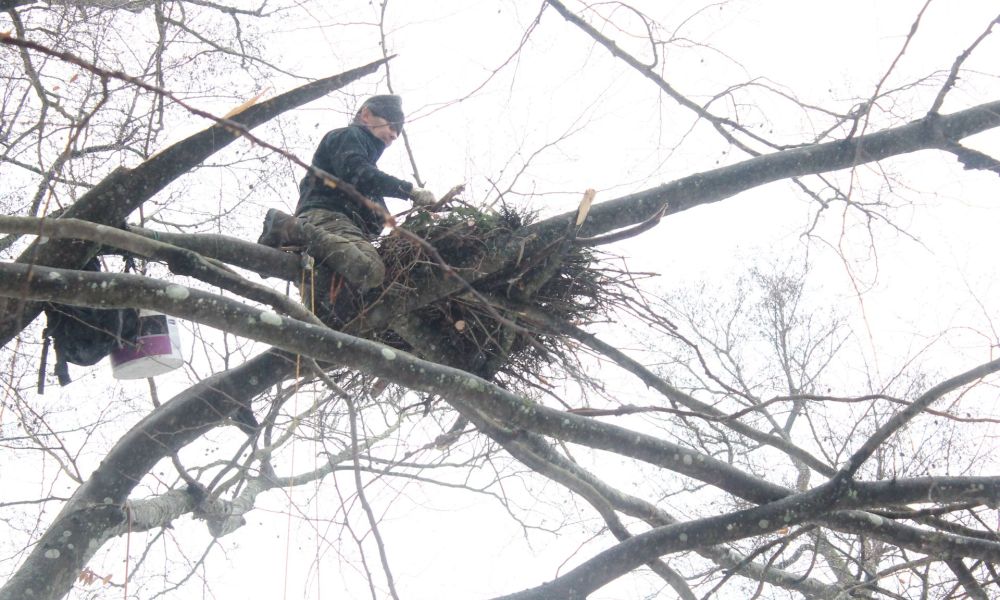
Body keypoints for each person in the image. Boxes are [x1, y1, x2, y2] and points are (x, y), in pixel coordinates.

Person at [258, 95, 435, 309]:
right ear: (366, 115)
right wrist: (409, 190)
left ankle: (295, 235)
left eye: (398, 131)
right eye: (391, 124)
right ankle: (288, 227)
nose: (394, 135)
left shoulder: (364, 170)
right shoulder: (348, 137)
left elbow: (366, 187)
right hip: (329, 218)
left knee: (326, 318)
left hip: (330, 239)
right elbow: (358, 172)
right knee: (370, 270)